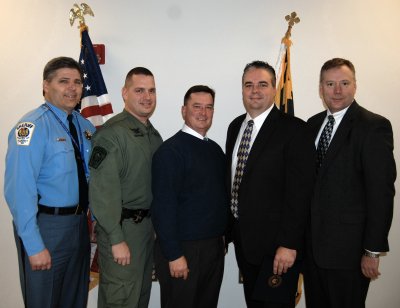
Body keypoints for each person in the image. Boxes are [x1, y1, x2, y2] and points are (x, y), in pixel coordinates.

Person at [303, 58, 396, 308]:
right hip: (311, 252)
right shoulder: (311, 125)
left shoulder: (373, 126)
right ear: (320, 88)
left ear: (355, 85)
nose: (337, 90)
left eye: (344, 83)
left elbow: (382, 193)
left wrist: (372, 251)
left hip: (349, 254)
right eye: (330, 83)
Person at [4, 56, 95, 307]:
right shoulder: (32, 127)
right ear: (46, 86)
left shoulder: (85, 126)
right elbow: (19, 190)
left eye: (77, 82)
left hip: (79, 227)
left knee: (75, 299)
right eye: (63, 81)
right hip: (47, 228)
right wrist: (33, 245)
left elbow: (93, 178)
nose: (72, 88)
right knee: (44, 301)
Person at [225, 60, 315, 308]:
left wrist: (288, 244)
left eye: (262, 84)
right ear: (242, 89)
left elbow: (301, 193)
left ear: (274, 88)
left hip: (277, 249)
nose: (255, 90)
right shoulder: (235, 127)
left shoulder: (295, 130)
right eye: (249, 85)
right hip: (244, 243)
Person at [88, 67, 162, 308]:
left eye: (151, 90)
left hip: (145, 233)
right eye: (139, 90)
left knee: (139, 297)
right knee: (120, 300)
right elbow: (102, 192)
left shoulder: (153, 135)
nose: (147, 97)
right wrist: (116, 239)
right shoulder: (112, 134)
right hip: (121, 232)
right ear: (124, 93)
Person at [151, 85, 228, 308]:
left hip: (212, 248)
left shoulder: (214, 150)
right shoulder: (170, 152)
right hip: (182, 250)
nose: (203, 113)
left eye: (209, 107)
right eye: (197, 107)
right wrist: (174, 255)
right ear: (184, 111)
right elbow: (163, 208)